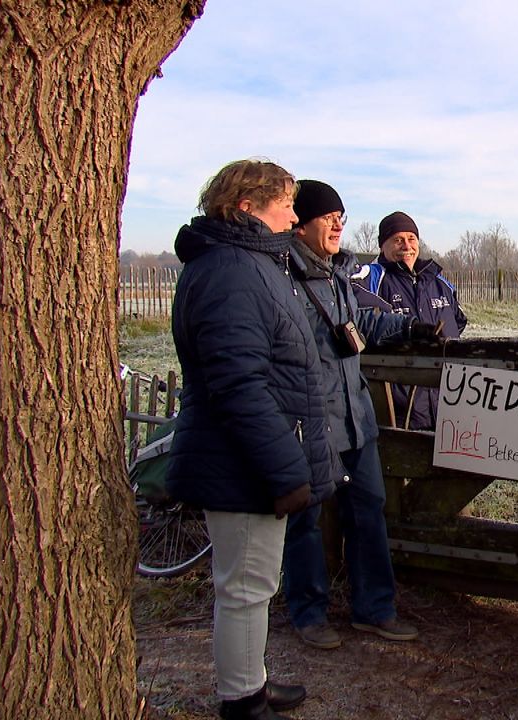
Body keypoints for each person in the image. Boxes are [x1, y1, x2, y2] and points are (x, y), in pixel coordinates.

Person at [167, 160, 342, 720]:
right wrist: (284, 468)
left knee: (257, 581)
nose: (294, 216)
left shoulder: (250, 264)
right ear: (247, 207)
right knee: (244, 587)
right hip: (240, 462)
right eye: (285, 204)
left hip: (251, 457)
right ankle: (241, 703)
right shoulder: (230, 271)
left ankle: (251, 682)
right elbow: (238, 383)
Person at [282, 180, 437, 650]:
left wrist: (409, 326)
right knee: (305, 519)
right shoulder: (281, 278)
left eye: (341, 217)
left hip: (356, 417)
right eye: (327, 216)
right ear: (300, 222)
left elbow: (362, 323)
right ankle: (308, 614)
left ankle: (374, 609)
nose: (337, 224)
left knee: (369, 510)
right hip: (310, 419)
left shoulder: (337, 274)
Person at [356, 211, 468, 429]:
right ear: (382, 245)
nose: (406, 246)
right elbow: (362, 329)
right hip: (397, 410)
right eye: (397, 240)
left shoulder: (439, 282)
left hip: (446, 403)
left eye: (411, 239)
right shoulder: (369, 279)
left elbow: (458, 322)